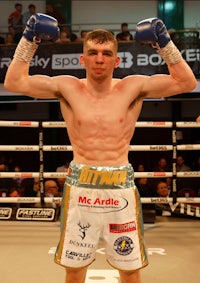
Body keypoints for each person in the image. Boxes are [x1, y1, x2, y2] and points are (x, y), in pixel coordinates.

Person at [4, 13, 197, 283]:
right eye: (92, 52)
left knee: (130, 272)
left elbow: (187, 83)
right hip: (80, 188)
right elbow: (14, 82)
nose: (99, 58)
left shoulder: (133, 87)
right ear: (82, 59)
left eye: (106, 53)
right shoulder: (66, 87)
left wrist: (164, 44)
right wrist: (29, 40)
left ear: (116, 60)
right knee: (74, 272)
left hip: (121, 189)